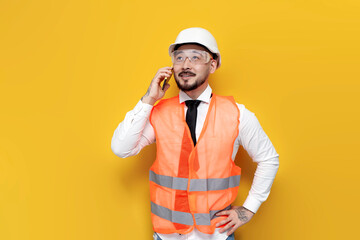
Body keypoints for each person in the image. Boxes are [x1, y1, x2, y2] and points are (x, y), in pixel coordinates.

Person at [111, 27, 279, 240]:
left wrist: (249, 209)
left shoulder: (238, 114)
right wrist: (149, 99)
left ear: (213, 64)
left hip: (217, 235)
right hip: (167, 235)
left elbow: (269, 159)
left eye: (195, 57)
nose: (185, 65)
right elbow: (121, 148)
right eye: (179, 57)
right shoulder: (158, 112)